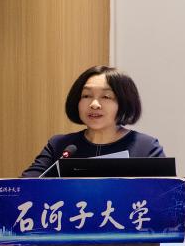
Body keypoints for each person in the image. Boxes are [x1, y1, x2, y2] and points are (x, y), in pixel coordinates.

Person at [21, 66, 165, 177]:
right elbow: (23, 189)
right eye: (86, 96)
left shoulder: (145, 147)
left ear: (124, 103)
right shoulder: (61, 146)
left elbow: (166, 197)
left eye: (106, 97)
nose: (94, 104)